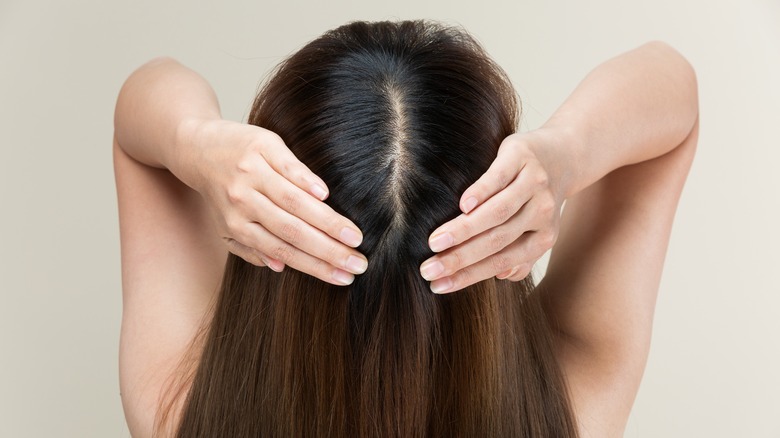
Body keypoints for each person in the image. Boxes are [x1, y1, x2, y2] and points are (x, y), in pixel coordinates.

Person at [114, 20, 698, 437]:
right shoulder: (571, 411)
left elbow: (139, 118)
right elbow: (674, 90)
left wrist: (193, 141)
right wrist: (567, 152)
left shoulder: (182, 413)